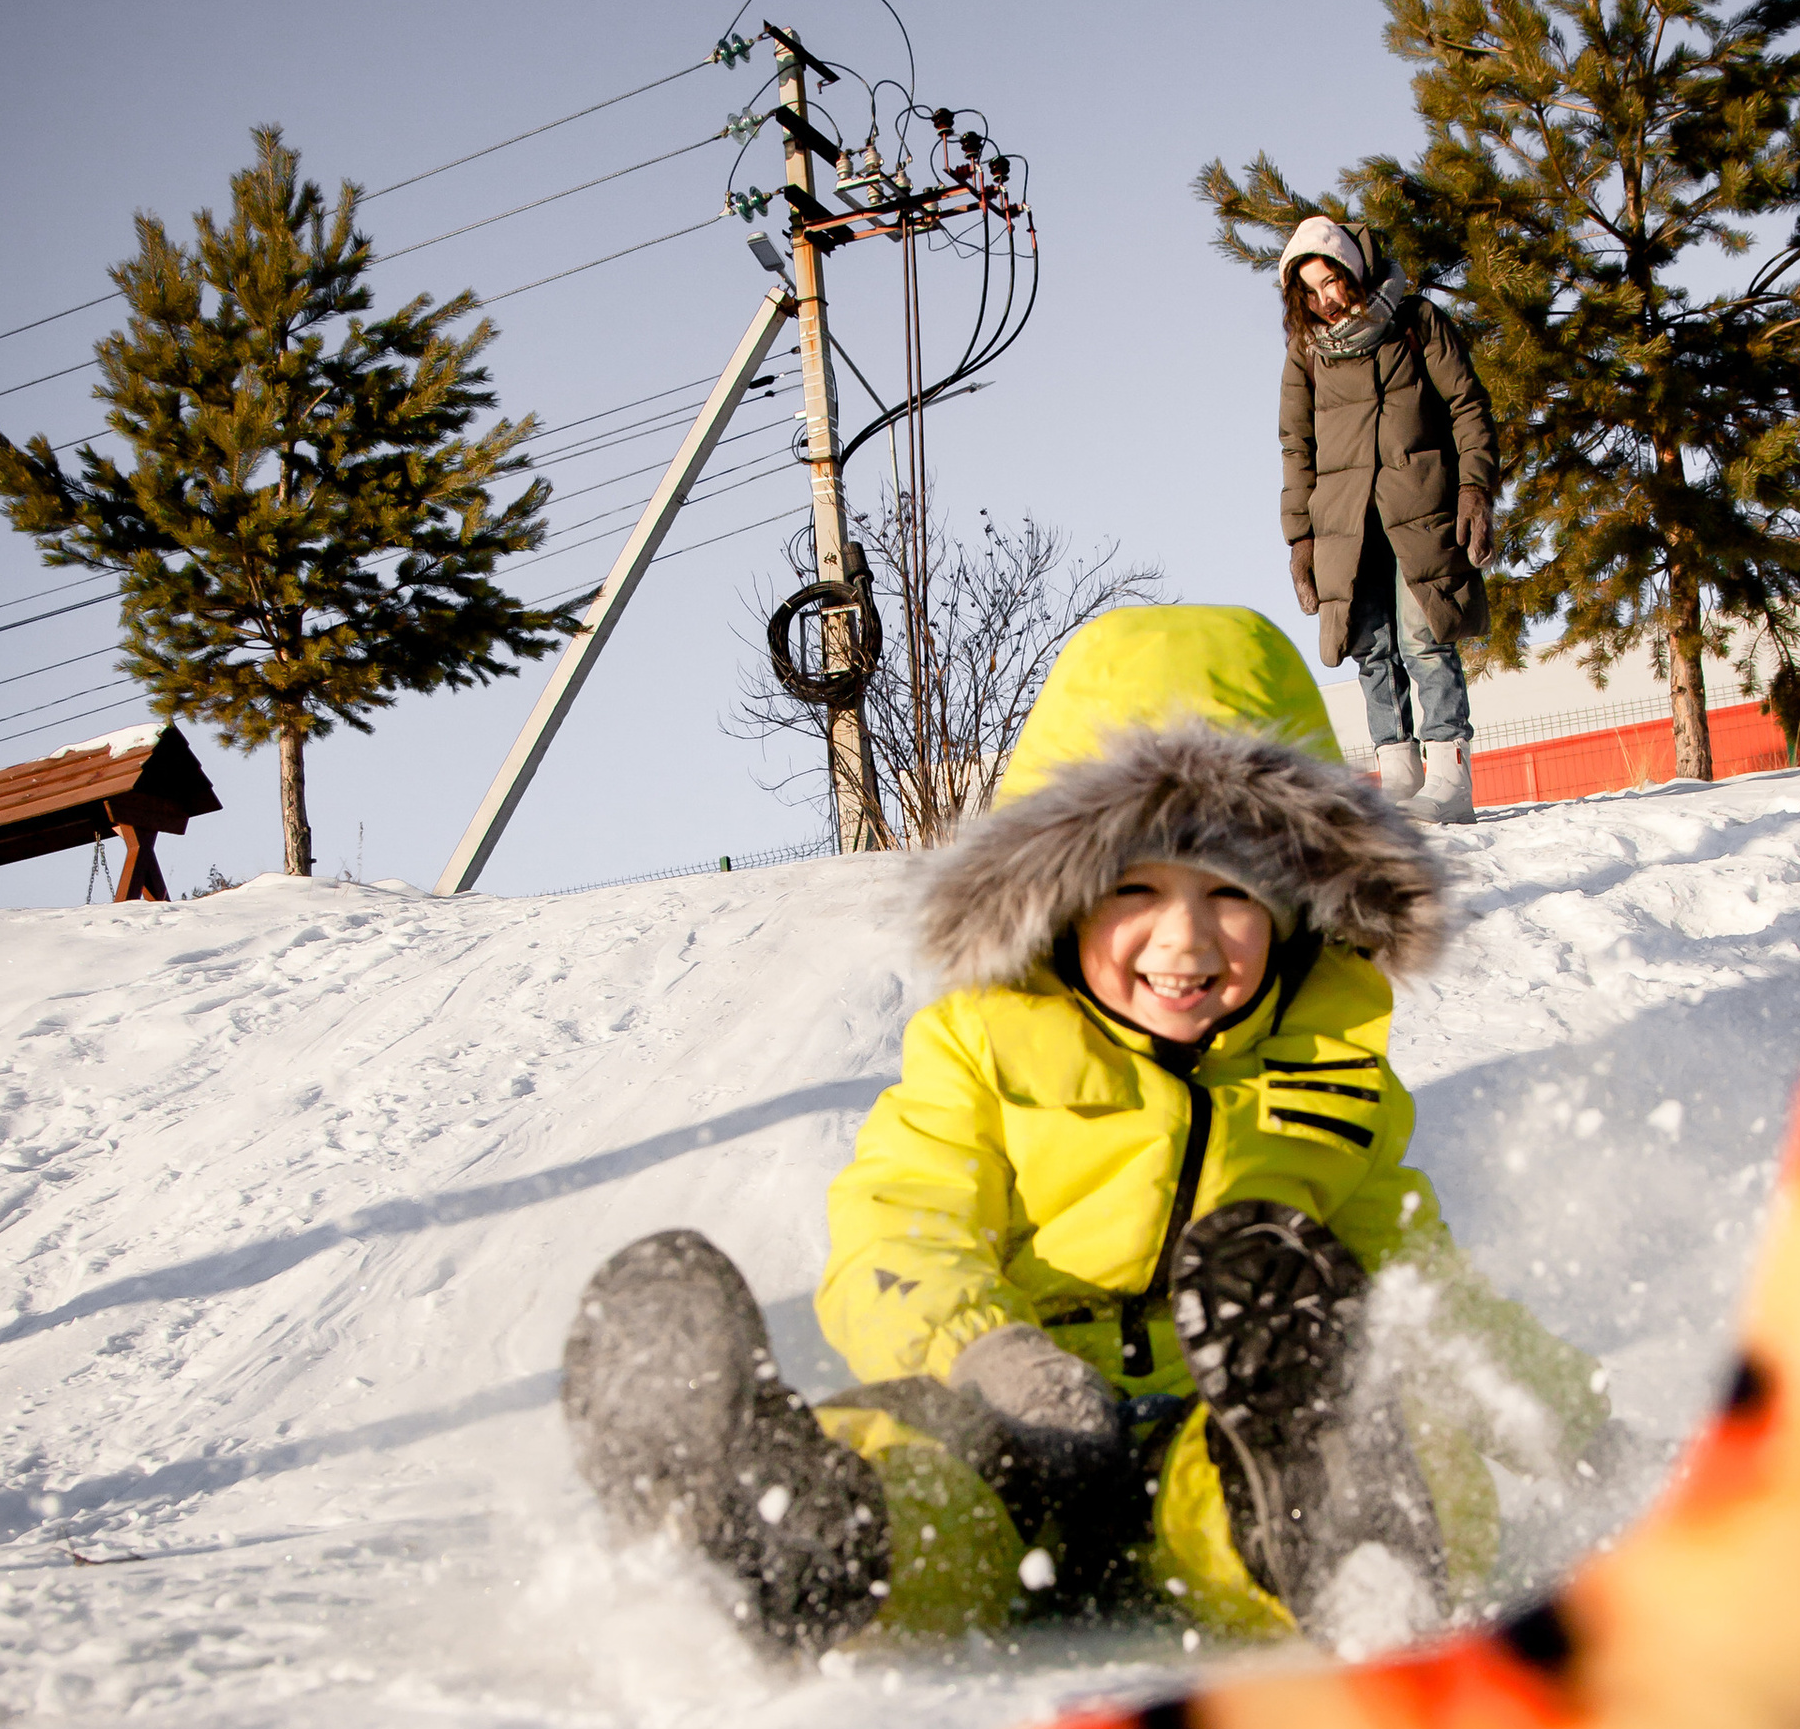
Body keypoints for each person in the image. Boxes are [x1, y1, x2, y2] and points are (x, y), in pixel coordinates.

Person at [561, 605, 1597, 1653]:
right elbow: (899, 1228)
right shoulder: (985, 1044)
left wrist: (1568, 1423)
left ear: (1302, 900)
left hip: (1227, 1432)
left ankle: (1348, 1535)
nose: (1182, 939)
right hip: (1011, 1428)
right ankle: (773, 1532)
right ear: (1055, 899)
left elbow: (1415, 1283)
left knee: (1380, 1428)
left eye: (1231, 891)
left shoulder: (1334, 1068)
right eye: (1132, 889)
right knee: (916, 1462)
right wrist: (990, 1355)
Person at [1276, 214, 1498, 827]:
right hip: (1344, 519)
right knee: (1370, 646)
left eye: (1333, 282)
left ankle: (1450, 778)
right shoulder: (1306, 353)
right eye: (1312, 292)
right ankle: (1399, 778)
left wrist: (1475, 488)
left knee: (1424, 635)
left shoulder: (1416, 321)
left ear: (1353, 268)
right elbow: (1297, 447)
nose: (1326, 300)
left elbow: (1468, 406)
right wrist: (1301, 538)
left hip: (1420, 504)